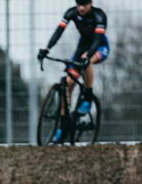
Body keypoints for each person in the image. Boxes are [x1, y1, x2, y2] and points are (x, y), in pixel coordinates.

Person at [38, 0, 109, 143]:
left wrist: (89, 55)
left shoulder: (99, 15)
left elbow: (98, 38)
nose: (81, 8)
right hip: (82, 47)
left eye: (85, 4)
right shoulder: (72, 13)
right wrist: (47, 48)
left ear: (91, 3)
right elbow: (59, 31)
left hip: (99, 46)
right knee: (68, 83)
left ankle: (88, 96)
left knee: (86, 62)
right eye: (79, 4)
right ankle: (63, 126)